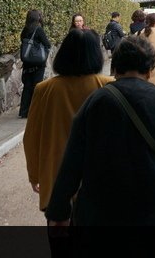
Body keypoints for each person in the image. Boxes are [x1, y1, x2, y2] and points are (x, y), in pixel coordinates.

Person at [45, 35, 155, 243]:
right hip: (154, 212)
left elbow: (72, 161)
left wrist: (58, 210)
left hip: (100, 211)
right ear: (150, 69)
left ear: (115, 68)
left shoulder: (96, 100)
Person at [23, 28, 111, 216]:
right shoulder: (108, 86)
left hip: (56, 175)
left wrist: (35, 174)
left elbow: (31, 136)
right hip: (98, 177)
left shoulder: (44, 89)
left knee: (59, 236)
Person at [19, 9, 51, 118]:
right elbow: (47, 43)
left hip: (27, 62)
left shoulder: (25, 30)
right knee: (37, 86)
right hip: (38, 62)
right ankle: (36, 110)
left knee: (27, 86)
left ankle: (24, 111)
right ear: (38, 17)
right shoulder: (38, 29)